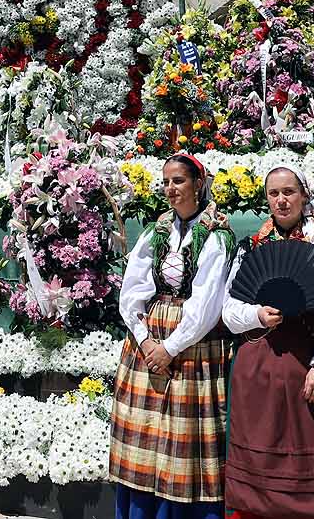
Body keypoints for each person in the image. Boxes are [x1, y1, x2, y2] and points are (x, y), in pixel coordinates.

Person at [221, 165, 314, 519]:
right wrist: (257, 316)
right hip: (263, 368)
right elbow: (229, 310)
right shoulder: (251, 248)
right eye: (273, 194)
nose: (281, 200)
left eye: (288, 191)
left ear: (304, 195)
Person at [111, 152, 233, 519]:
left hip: (193, 346)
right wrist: (145, 340)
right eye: (165, 182)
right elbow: (132, 291)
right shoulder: (157, 230)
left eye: (178, 181)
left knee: (185, 448)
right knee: (143, 438)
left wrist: (170, 347)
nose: (170, 189)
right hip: (148, 343)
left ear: (198, 184)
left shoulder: (217, 235)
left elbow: (207, 305)